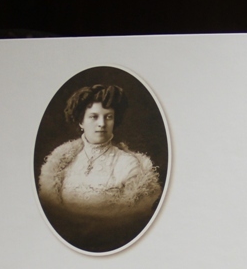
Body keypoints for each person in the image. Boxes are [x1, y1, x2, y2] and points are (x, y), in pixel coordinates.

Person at [38, 84, 162, 251]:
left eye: (108, 117)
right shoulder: (62, 164)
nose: (102, 124)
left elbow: (132, 221)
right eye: (94, 117)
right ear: (81, 121)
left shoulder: (127, 163)